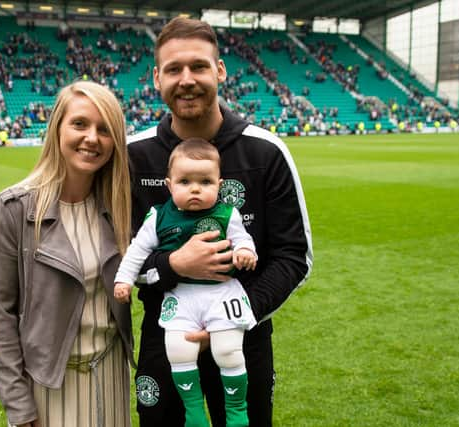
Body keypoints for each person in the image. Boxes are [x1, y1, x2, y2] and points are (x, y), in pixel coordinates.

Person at [127, 17, 313, 427]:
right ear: (157, 77)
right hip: (166, 336)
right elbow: (115, 255)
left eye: (199, 66)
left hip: (244, 334)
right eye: (174, 69)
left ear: (221, 71)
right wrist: (172, 266)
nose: (186, 79)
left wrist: (238, 313)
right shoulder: (133, 156)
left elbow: (294, 256)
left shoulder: (266, 153)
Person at [0, 80, 133, 427]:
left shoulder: (119, 204)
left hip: (112, 375)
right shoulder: (14, 209)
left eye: (105, 129)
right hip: (48, 386)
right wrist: (19, 409)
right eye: (79, 124)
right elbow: (0, 316)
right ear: (57, 129)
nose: (92, 138)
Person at [115, 138, 258, 427]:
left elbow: (243, 238)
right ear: (169, 185)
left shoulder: (227, 214)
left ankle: (237, 410)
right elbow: (137, 251)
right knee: (177, 350)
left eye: (205, 181)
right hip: (180, 296)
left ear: (219, 184)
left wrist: (245, 252)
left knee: (227, 350)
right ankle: (194, 412)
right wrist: (123, 280)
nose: (195, 188)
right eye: (185, 182)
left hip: (221, 293)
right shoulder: (158, 217)